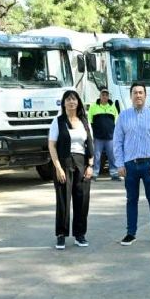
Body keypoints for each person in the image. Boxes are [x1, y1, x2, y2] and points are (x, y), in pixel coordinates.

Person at [114, 82, 150, 246]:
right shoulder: (123, 116)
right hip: (130, 165)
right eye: (135, 93)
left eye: (141, 92)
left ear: (145, 95)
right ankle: (131, 233)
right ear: (131, 96)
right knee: (131, 199)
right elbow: (117, 142)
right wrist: (120, 164)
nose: (138, 95)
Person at [48, 90, 94, 250]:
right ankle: (61, 235)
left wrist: (91, 165)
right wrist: (58, 168)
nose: (71, 102)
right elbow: (51, 145)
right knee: (63, 200)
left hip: (82, 162)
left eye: (74, 99)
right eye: (68, 99)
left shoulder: (84, 121)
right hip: (64, 162)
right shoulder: (58, 121)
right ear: (64, 103)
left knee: (82, 200)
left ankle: (80, 235)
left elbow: (90, 144)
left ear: (78, 103)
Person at [88, 87, 120, 181]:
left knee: (112, 156)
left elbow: (116, 121)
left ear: (108, 96)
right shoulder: (93, 107)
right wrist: (91, 134)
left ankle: (114, 174)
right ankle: (94, 174)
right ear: (100, 96)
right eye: (103, 95)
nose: (105, 96)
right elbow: (90, 121)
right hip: (98, 137)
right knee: (97, 157)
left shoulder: (113, 106)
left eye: (106, 95)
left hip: (110, 137)